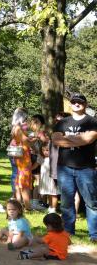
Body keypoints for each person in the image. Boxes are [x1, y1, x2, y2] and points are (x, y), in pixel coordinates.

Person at [51, 93, 97, 242]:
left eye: (80, 102)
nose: (77, 104)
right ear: (70, 104)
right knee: (66, 202)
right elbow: (56, 140)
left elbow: (88, 139)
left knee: (91, 202)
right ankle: (68, 232)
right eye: (74, 102)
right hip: (65, 168)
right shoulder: (62, 122)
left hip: (86, 168)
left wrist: (68, 138)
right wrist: (78, 140)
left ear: (85, 104)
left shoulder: (92, 121)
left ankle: (94, 235)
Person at [31, 114, 59, 213]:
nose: (33, 123)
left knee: (52, 191)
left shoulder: (42, 134)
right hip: (43, 171)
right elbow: (38, 162)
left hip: (50, 173)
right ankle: (45, 204)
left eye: (36, 121)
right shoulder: (41, 156)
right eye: (32, 121)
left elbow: (46, 143)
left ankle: (51, 206)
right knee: (46, 189)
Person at [10, 120, 35, 210]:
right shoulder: (18, 129)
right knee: (25, 186)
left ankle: (19, 205)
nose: (27, 124)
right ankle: (28, 207)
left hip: (23, 162)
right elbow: (26, 141)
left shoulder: (18, 130)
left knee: (18, 184)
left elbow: (28, 143)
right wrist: (36, 137)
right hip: (24, 163)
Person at [8, 108, 29, 193]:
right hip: (17, 150)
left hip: (13, 149)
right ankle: (16, 194)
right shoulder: (19, 126)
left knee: (15, 172)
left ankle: (17, 194)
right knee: (16, 172)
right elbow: (24, 139)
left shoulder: (15, 125)